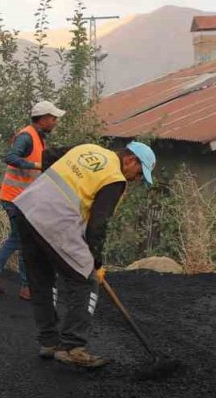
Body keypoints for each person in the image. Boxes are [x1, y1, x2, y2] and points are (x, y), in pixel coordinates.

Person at [13, 140, 156, 369]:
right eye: (139, 173)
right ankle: (72, 347)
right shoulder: (114, 178)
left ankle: (49, 342)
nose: (136, 179)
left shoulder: (88, 148)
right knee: (85, 280)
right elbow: (98, 226)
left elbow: (49, 155)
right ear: (130, 160)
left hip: (27, 207)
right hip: (55, 220)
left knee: (41, 279)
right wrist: (95, 263)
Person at [0, 100, 67, 301]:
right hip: (14, 198)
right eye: (53, 119)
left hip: (21, 199)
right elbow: (10, 157)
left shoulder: (37, 137)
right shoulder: (27, 136)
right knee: (25, 241)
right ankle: (26, 287)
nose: (55, 122)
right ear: (43, 119)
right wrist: (37, 165)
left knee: (17, 239)